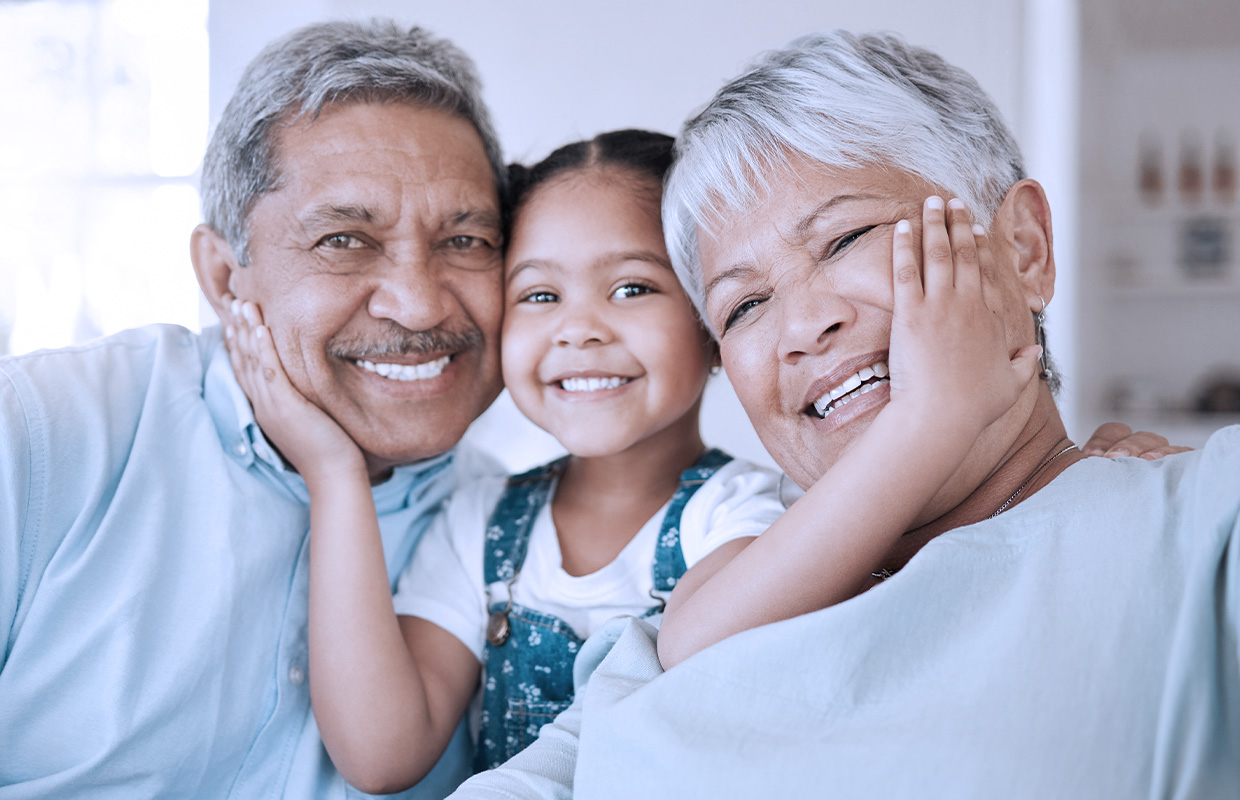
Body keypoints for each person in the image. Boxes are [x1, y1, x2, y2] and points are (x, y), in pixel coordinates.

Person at [447, 31, 1237, 800]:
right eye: (746, 304)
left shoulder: (1201, 524)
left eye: (845, 238)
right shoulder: (715, 595)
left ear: (1023, 249)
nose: (800, 329)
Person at [0, 20, 508, 799]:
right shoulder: (34, 436)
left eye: (466, 240)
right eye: (345, 239)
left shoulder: (511, 530)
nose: (417, 303)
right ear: (223, 275)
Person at [222, 129, 787, 792]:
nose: (579, 328)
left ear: (713, 316)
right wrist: (335, 474)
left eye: (632, 288)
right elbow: (381, 754)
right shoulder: (482, 523)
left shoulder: (751, 514)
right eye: (540, 296)